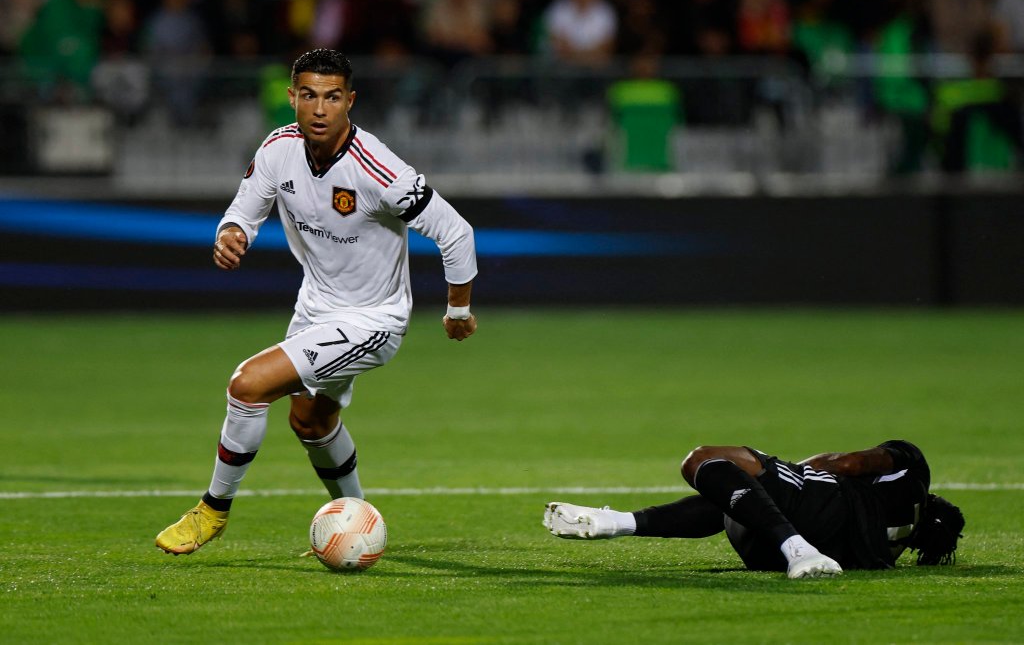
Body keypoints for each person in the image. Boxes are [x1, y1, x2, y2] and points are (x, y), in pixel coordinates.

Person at [156, 48, 478, 555]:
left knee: (247, 385)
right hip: (315, 308)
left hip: (373, 320)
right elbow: (244, 208)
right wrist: (232, 231)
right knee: (310, 421)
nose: (320, 109)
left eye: (332, 97)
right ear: (293, 98)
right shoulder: (278, 148)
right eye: (309, 95)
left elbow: (456, 233)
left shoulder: (378, 168)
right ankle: (360, 522)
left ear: (350, 101)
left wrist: (458, 310)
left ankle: (212, 511)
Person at [544, 440, 964, 579]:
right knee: (738, 499)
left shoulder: (913, 470)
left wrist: (802, 469)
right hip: (767, 555)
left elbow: (850, 464)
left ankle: (798, 548)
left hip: (816, 515)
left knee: (703, 460)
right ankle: (615, 521)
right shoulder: (888, 550)